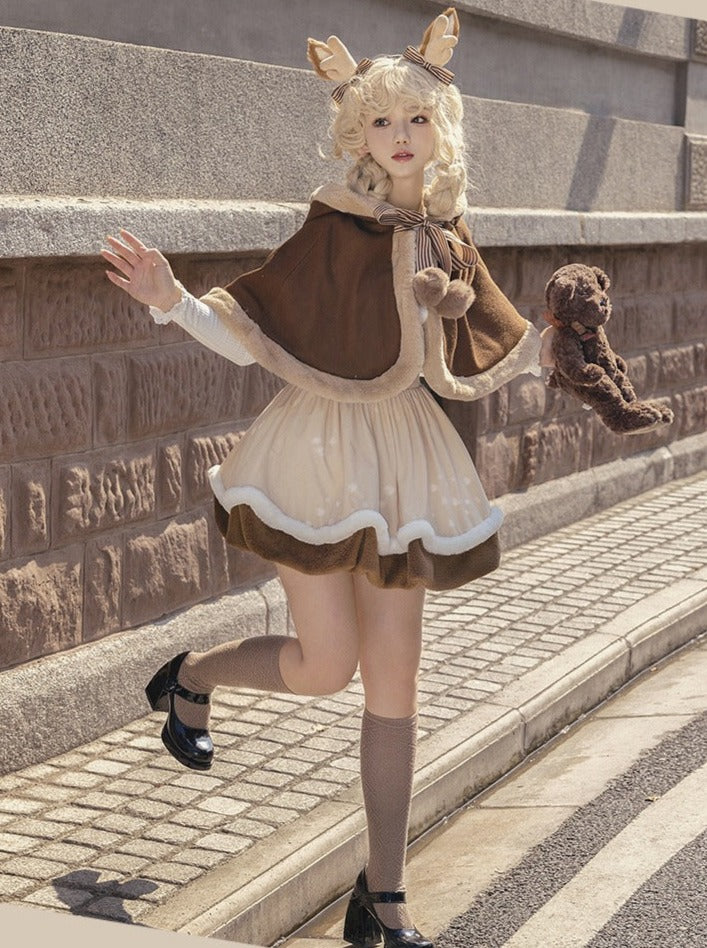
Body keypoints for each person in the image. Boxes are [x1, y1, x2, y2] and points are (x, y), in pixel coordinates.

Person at [102, 9, 540, 947]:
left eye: (414, 120)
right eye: (381, 123)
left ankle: (383, 902)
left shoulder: (448, 228)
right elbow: (255, 326)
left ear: (439, 128)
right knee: (322, 668)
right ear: (359, 136)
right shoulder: (332, 223)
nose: (399, 138)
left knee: (392, 687)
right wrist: (172, 301)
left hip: (404, 460)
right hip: (312, 455)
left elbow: (466, 346)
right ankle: (189, 677)